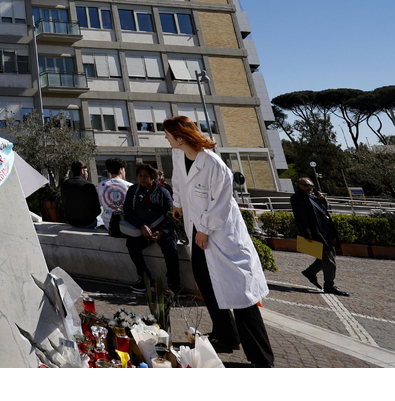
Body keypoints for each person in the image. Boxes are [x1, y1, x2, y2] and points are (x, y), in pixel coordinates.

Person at [165, 115, 275, 368]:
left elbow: (222, 201)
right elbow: (178, 180)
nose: (166, 139)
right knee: (206, 283)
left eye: (168, 135)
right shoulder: (179, 154)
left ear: (180, 138)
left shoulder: (214, 164)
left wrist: (204, 229)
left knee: (241, 295)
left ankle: (262, 359)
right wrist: (178, 203)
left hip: (221, 235)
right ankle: (227, 336)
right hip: (198, 230)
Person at [122, 162, 181, 293]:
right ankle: (145, 280)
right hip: (141, 230)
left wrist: (162, 231)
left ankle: (174, 285)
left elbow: (171, 214)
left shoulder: (163, 192)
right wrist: (141, 226)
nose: (143, 178)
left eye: (146, 176)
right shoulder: (133, 191)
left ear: (153, 178)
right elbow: (128, 212)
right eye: (140, 175)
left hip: (162, 230)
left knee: (171, 249)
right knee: (132, 245)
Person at [291, 177, 348, 296]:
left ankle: (311, 272)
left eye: (311, 186)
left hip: (326, 231)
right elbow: (300, 217)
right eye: (306, 185)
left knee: (329, 255)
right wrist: (306, 233)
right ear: (299, 185)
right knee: (328, 257)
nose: (309, 188)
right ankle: (329, 285)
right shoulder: (298, 198)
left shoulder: (314, 197)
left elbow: (323, 211)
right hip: (316, 232)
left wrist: (322, 200)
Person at [60, 161, 101, 229]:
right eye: (86, 171)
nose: (87, 173)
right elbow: (97, 209)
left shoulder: (65, 184)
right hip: (88, 222)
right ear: (82, 171)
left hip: (71, 221)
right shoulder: (89, 186)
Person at [97, 158, 131, 236]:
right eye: (124, 170)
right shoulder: (129, 186)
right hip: (124, 223)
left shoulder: (101, 185)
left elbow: (101, 203)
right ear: (121, 170)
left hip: (107, 223)